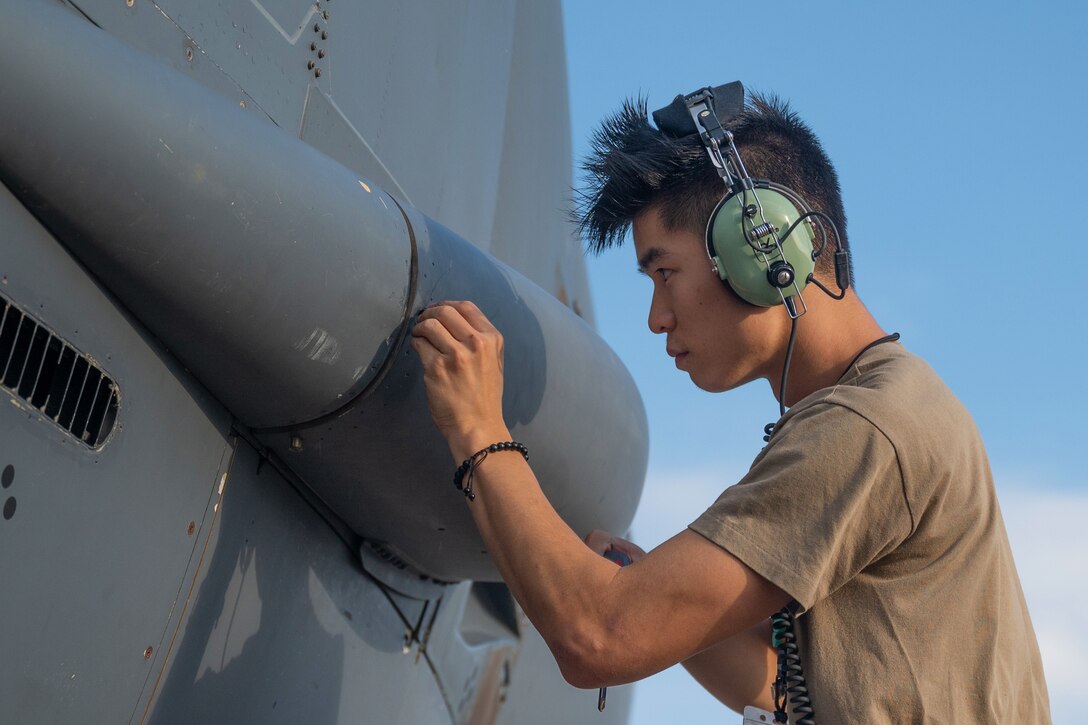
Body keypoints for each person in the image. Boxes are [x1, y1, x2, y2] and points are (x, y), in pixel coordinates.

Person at [410, 84, 1050, 723]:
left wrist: (477, 428)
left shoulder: (866, 426)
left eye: (664, 274)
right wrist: (661, 596)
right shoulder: (887, 408)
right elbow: (785, 687)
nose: (658, 318)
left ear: (763, 249)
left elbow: (598, 638)